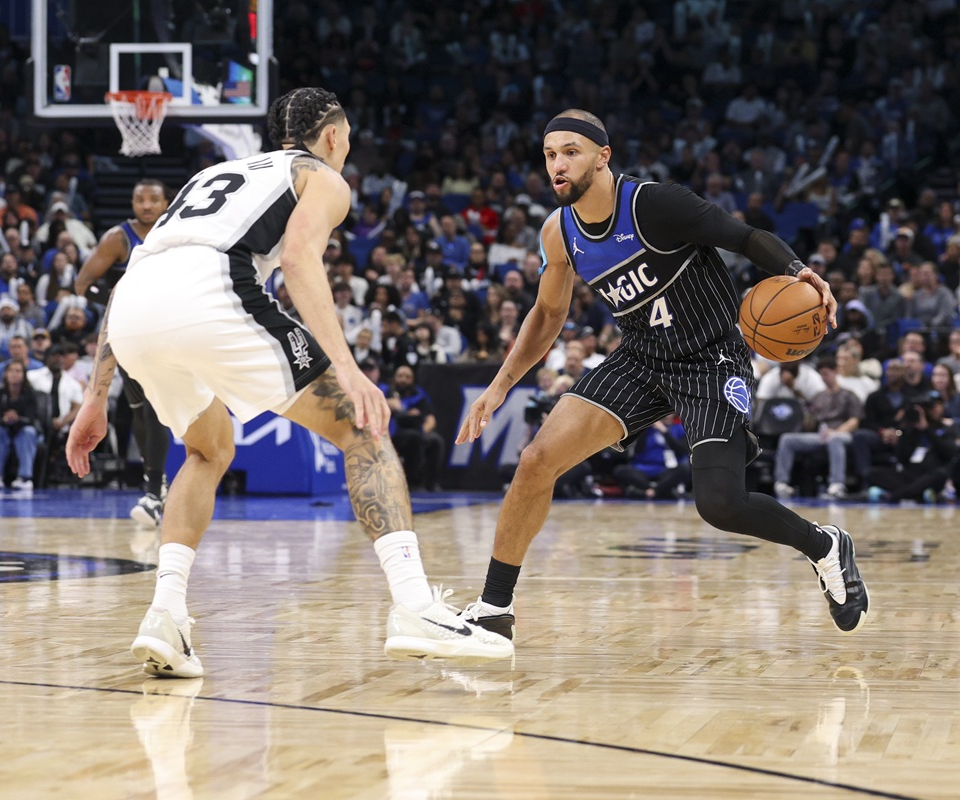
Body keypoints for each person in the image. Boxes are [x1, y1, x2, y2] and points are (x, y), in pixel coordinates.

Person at [65, 87, 511, 678]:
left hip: (133, 313)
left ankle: (165, 615)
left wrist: (95, 396)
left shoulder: (212, 175)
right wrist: (348, 369)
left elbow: (132, 280)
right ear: (333, 136)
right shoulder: (320, 175)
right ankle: (415, 606)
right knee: (362, 429)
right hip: (210, 291)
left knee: (207, 450)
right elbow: (299, 259)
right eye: (346, 140)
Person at [456, 109, 868, 642]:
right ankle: (494, 610)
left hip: (710, 359)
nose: (558, 165)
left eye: (571, 152)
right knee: (536, 461)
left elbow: (745, 237)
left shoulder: (656, 205)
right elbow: (548, 315)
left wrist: (799, 271)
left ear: (603, 157)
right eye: (550, 154)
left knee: (720, 504)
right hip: (642, 358)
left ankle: (825, 545)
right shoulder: (559, 232)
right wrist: (498, 387)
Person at [75, 179, 174, 528]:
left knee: (155, 408)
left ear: (166, 202)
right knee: (139, 410)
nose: (146, 205)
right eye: (139, 199)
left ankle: (154, 490)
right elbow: (82, 285)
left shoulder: (177, 230)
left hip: (165, 331)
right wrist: (121, 297)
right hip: (128, 332)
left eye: (153, 199)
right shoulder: (119, 238)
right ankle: (155, 483)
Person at [773, 357, 863, 500]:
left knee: (834, 439)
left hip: (843, 433)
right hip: (821, 434)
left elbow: (854, 421)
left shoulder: (848, 395)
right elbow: (810, 423)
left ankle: (837, 485)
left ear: (835, 371)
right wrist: (808, 418)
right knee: (787, 439)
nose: (824, 378)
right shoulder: (818, 396)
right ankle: (781, 483)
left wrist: (836, 431)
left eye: (826, 373)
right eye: (821, 374)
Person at [0, 360, 39, 491]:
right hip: (5, 429)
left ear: (24, 375)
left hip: (23, 429)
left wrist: (17, 419)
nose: (14, 374)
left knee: (29, 432)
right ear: (6, 374)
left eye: (18, 371)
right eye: (11, 371)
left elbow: (32, 419)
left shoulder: (30, 394)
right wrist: (5, 419)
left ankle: (24, 477)